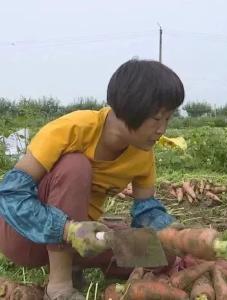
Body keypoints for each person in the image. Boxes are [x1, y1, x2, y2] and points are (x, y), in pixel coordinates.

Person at [0, 59, 184, 299]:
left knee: (162, 253)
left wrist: (168, 229)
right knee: (75, 166)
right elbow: (10, 195)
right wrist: (67, 230)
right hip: (25, 238)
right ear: (129, 109)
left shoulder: (143, 153)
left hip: (84, 238)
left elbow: (145, 210)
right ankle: (59, 287)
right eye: (157, 119)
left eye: (168, 119)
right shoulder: (72, 129)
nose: (162, 130)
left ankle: (74, 263)